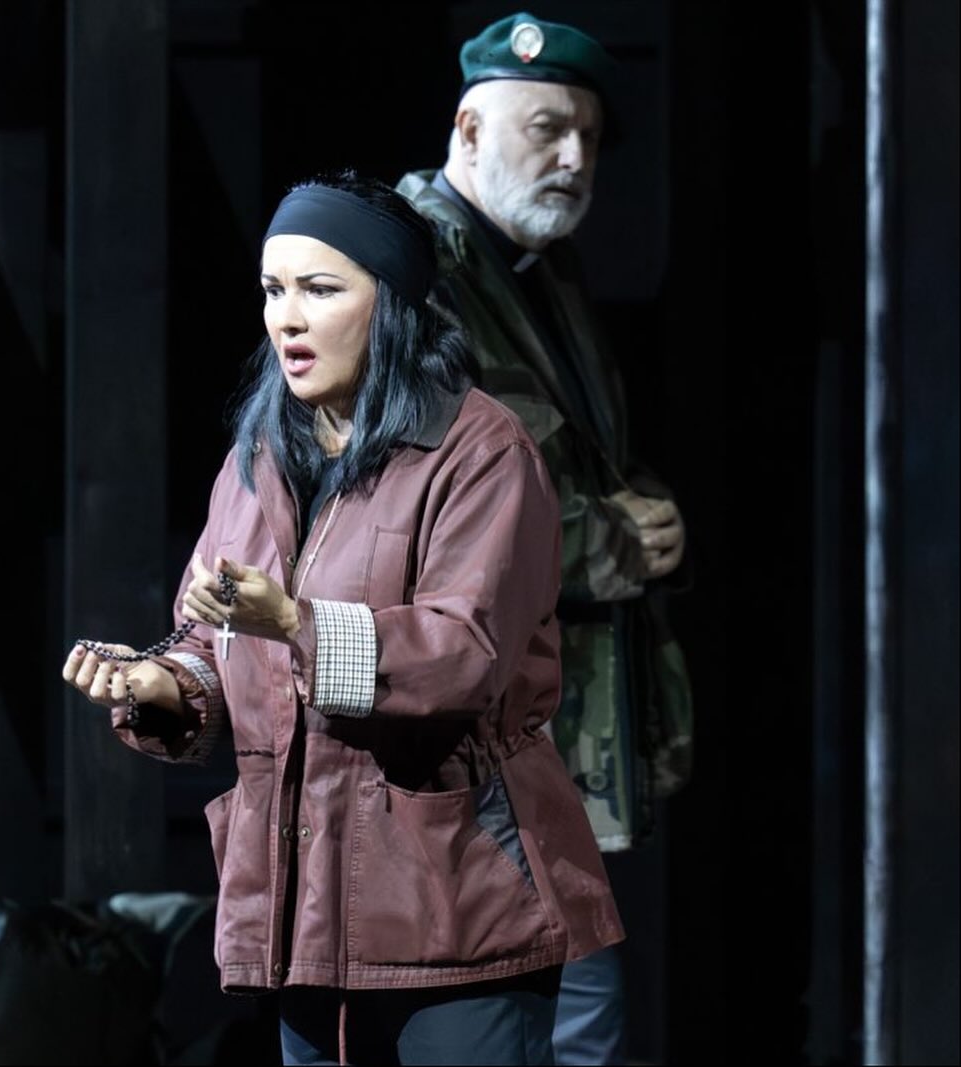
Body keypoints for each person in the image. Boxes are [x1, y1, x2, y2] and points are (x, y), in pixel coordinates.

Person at [62, 172, 624, 1067]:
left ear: (392, 302)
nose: (286, 318)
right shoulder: (257, 457)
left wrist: (294, 619)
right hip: (306, 910)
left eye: (320, 290)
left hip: (455, 903)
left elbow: (462, 656)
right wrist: (161, 682)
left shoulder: (479, 452)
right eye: (272, 290)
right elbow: (214, 638)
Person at [397, 12, 691, 1066]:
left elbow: (567, 455)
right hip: (467, 723)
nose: (573, 157)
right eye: (546, 129)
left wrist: (639, 509)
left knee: (568, 1006)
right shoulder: (409, 267)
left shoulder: (534, 267)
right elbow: (429, 506)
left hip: (549, 727)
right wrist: (615, 541)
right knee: (559, 1012)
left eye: (588, 137)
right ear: (469, 130)